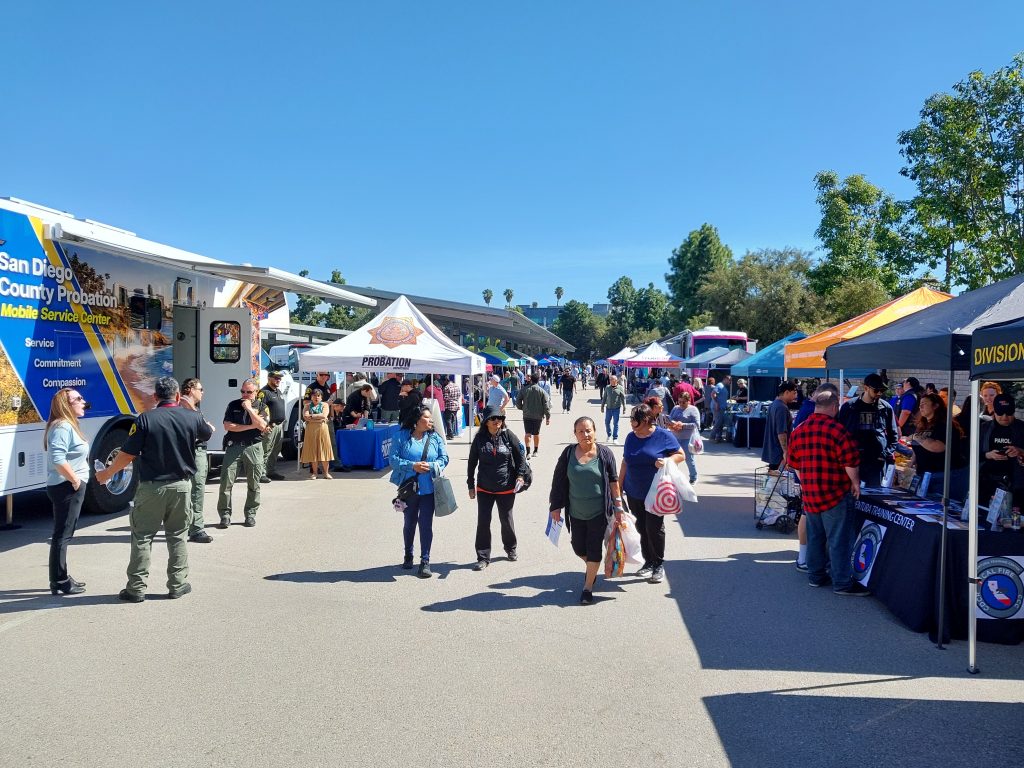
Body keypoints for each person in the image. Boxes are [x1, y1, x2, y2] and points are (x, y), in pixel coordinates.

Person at [96, 377, 213, 602]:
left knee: (142, 536)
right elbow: (207, 433)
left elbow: (127, 454)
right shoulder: (192, 417)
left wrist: (107, 474)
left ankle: (136, 588)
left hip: (152, 487)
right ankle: (178, 584)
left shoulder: (144, 420)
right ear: (178, 396)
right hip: (182, 486)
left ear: (155, 397)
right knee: (178, 535)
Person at [786, 387, 869, 596]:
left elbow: (794, 463)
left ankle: (815, 576)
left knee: (815, 537)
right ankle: (841, 582)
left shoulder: (800, 430)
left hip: (811, 494)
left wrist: (805, 483)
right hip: (835, 494)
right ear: (834, 407)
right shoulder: (838, 430)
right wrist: (856, 483)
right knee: (839, 540)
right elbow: (850, 462)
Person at [549, 416, 623, 604]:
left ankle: (587, 588)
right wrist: (555, 506)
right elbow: (558, 481)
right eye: (581, 431)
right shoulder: (568, 454)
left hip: (599, 512)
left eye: (589, 430)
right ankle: (592, 568)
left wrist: (619, 507)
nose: (585, 434)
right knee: (578, 547)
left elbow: (614, 482)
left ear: (595, 432)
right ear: (575, 434)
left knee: (594, 549)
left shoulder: (604, 454)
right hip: (576, 512)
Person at [619, 403, 685, 585]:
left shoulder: (663, 435)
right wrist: (618, 485)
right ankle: (648, 562)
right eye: (632, 419)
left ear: (646, 420)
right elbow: (625, 461)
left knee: (654, 528)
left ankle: (658, 564)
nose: (631, 422)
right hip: (633, 490)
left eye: (635, 419)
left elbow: (681, 454)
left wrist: (666, 460)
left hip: (656, 492)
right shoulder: (631, 437)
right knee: (640, 527)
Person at [389, 405, 449, 578]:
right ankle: (408, 554)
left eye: (431, 418)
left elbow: (444, 458)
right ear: (416, 420)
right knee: (409, 523)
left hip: (429, 489)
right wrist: (412, 465)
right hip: (409, 490)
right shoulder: (400, 437)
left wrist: (430, 466)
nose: (431, 421)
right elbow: (393, 460)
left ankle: (425, 561)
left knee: (426, 525)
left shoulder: (435, 438)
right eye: (427, 418)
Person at [467, 406, 527, 570]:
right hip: (484, 488)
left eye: (500, 418)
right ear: (486, 422)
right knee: (483, 522)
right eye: (493, 419)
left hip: (506, 487)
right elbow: (472, 462)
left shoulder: (508, 436)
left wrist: (520, 475)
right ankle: (483, 557)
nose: (497, 421)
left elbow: (520, 457)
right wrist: (470, 485)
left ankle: (511, 549)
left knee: (506, 520)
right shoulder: (479, 439)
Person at [44, 388, 90, 595]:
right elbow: (58, 459)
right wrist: (75, 481)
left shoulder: (68, 425)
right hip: (66, 487)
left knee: (64, 534)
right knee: (62, 535)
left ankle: (60, 577)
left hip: (67, 485)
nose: (83, 401)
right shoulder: (63, 426)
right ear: (66, 404)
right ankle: (60, 581)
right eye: (78, 399)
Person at [217, 378, 269, 528]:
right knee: (226, 483)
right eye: (242, 391)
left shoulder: (262, 406)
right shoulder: (233, 404)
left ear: (256, 392)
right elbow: (228, 426)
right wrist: (250, 426)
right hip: (234, 447)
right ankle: (225, 515)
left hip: (253, 447)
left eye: (249, 392)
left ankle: (250, 514)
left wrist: (249, 409)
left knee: (254, 483)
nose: (245, 395)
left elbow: (263, 425)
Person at [837, 372, 898, 487]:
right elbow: (839, 433)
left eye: (882, 390)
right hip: (853, 461)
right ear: (866, 388)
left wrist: (885, 454)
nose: (879, 393)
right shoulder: (849, 407)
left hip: (876, 463)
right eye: (876, 390)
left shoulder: (886, 408)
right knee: (852, 496)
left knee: (874, 497)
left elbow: (894, 435)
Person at [908, 392, 968, 501]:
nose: (920, 406)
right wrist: (913, 461)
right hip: (926, 474)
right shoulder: (923, 424)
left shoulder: (945, 425)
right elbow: (919, 446)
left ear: (935, 406)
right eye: (920, 404)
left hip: (944, 476)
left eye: (924, 404)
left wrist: (916, 437)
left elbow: (938, 447)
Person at [180, 378, 215, 543]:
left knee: (190, 489)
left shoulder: (188, 407)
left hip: (192, 451)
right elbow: (199, 432)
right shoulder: (186, 407)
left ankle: (187, 526)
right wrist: (208, 428)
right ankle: (196, 529)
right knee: (196, 490)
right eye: (200, 389)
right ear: (190, 389)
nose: (203, 392)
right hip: (194, 452)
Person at [979, 393, 1024, 508]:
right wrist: (988, 455)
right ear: (994, 411)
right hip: (987, 482)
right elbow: (969, 454)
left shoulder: (1021, 428)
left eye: (1009, 413)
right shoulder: (984, 428)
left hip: (1016, 484)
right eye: (1000, 413)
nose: (1004, 417)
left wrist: (1020, 451)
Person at [257, 371, 287, 482]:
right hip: (269, 426)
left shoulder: (278, 391)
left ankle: (271, 471)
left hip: (279, 426)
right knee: (266, 450)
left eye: (279, 378)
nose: (278, 380)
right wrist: (264, 424)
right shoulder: (264, 392)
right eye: (276, 378)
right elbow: (259, 410)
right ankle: (261, 474)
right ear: (269, 378)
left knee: (275, 451)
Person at [762, 381, 798, 470]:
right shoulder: (781, 407)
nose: (795, 396)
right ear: (786, 392)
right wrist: (785, 451)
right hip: (778, 452)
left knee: (773, 478)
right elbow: (781, 432)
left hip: (774, 450)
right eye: (794, 393)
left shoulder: (774, 404)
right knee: (774, 480)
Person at [301, 388, 336, 479]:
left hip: (322, 429)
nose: (316, 397)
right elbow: (305, 416)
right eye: (314, 395)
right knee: (313, 451)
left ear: (321, 397)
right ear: (311, 397)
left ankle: (326, 473)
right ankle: (314, 473)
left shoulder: (325, 405)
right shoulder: (307, 405)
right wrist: (318, 418)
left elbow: (324, 415)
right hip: (311, 430)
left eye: (318, 396)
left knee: (324, 450)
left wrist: (312, 416)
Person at [516, 373, 551, 456]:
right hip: (538, 416)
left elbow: (518, 402)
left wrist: (522, 408)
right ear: (538, 380)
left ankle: (528, 452)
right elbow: (546, 405)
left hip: (527, 415)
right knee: (536, 433)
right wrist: (548, 417)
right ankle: (535, 451)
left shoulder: (524, 389)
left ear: (531, 379)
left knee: (527, 433)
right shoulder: (542, 391)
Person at [670, 391, 701, 484]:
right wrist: (672, 424)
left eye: (683, 402)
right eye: (679, 402)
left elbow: (697, 425)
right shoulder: (676, 408)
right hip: (675, 437)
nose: (681, 404)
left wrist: (682, 425)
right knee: (673, 459)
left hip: (687, 439)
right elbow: (670, 418)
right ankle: (673, 477)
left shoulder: (693, 409)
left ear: (689, 401)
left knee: (688, 459)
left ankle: (693, 477)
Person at [601, 374, 627, 443]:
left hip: (616, 409)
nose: (610, 380)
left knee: (615, 424)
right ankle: (609, 435)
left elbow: (623, 398)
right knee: (607, 422)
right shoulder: (607, 387)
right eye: (610, 379)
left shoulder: (620, 388)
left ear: (616, 380)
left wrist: (624, 408)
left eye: (611, 379)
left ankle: (615, 438)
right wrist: (602, 406)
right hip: (608, 408)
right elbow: (604, 397)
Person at [711, 375, 732, 442]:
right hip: (718, 407)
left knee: (720, 423)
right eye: (729, 380)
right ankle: (712, 436)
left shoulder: (723, 386)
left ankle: (718, 437)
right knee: (718, 423)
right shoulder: (719, 385)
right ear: (726, 379)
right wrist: (717, 403)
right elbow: (713, 394)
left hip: (721, 407)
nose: (730, 382)